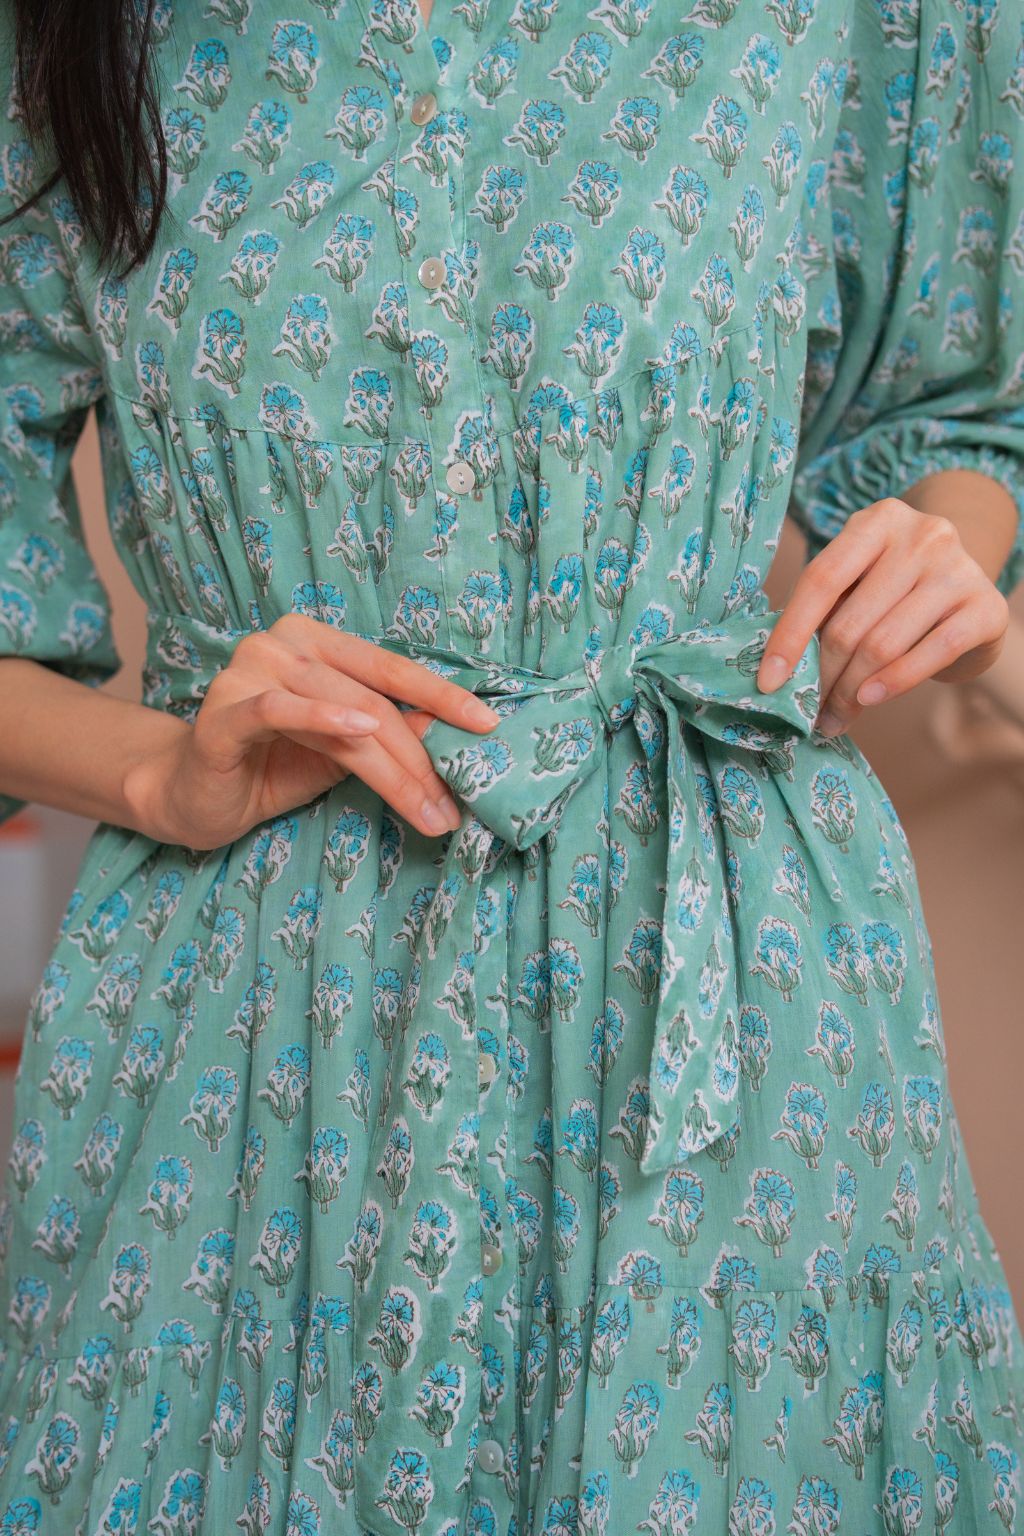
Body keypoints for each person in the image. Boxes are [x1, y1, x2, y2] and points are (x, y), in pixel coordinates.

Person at [0, 0, 1022, 1530]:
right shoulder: (68, 33)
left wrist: (951, 541)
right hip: (251, 1025)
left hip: (736, 986)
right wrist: (155, 776)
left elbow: (961, 400)